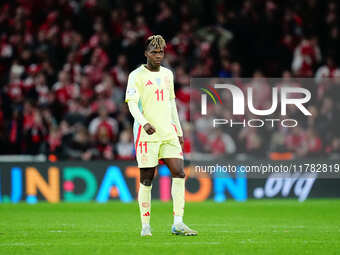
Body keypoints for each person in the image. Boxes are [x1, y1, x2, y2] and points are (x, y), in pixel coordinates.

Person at [125, 35, 198, 236]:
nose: (158, 56)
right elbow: (132, 103)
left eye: (161, 52)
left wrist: (179, 130)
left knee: (180, 173)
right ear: (146, 53)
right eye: (154, 52)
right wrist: (144, 122)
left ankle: (178, 222)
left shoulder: (167, 74)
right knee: (147, 180)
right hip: (147, 134)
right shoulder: (136, 75)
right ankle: (145, 226)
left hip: (168, 133)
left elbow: (171, 103)